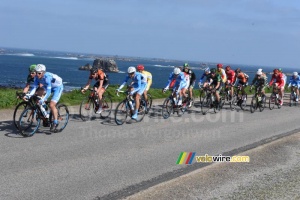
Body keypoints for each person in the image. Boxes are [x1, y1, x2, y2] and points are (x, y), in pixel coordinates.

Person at [26, 64, 63, 132]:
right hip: (48, 86)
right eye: (36, 72)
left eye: (39, 73)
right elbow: (34, 88)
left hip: (57, 87)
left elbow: (48, 92)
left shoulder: (47, 77)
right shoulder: (37, 77)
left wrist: (43, 99)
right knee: (36, 94)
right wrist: (28, 95)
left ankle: (55, 122)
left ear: (43, 72)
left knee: (52, 105)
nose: (37, 74)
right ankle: (44, 111)